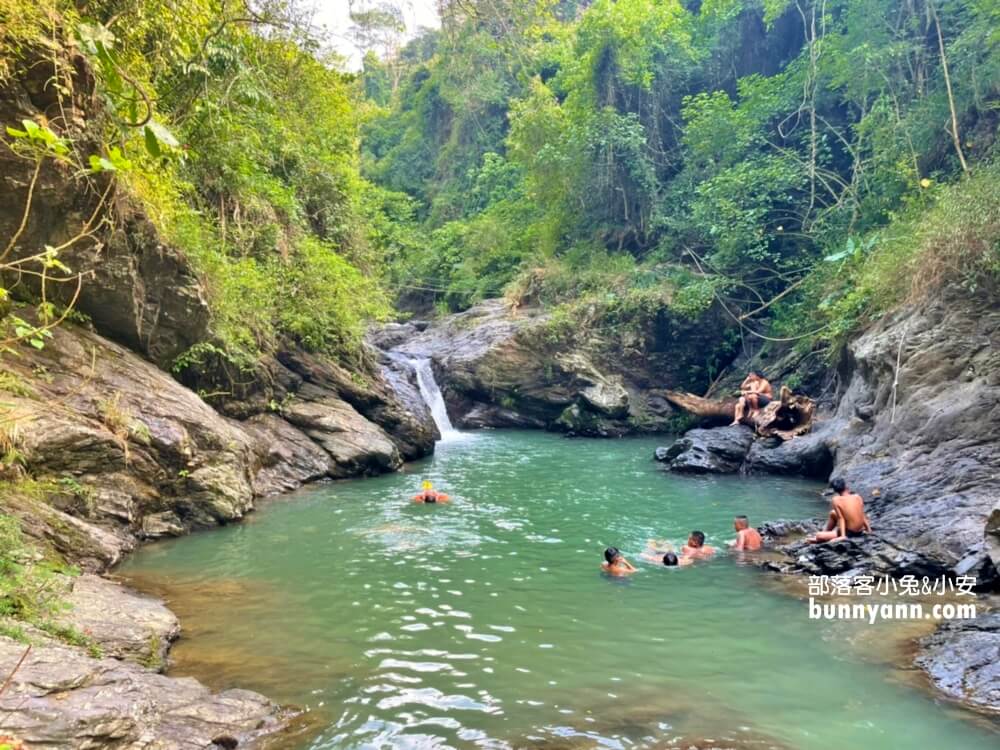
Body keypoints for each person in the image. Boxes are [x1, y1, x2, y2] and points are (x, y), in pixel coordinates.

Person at [807, 477, 871, 543]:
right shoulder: (857, 497)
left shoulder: (836, 500)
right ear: (846, 486)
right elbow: (862, 514)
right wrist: (869, 530)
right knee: (832, 513)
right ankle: (826, 533)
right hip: (860, 530)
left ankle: (823, 536)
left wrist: (843, 536)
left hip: (850, 533)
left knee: (818, 535)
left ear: (835, 490)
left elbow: (841, 518)